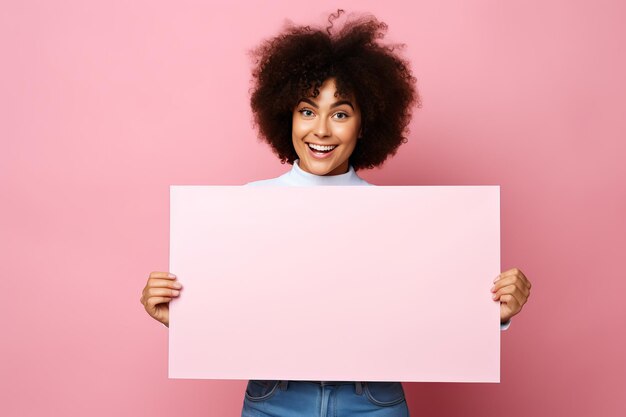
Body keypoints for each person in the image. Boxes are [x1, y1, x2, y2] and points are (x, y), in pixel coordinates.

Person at [139, 9, 532, 417]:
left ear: (364, 124)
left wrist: (494, 315)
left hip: (373, 401)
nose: (322, 129)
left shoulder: (398, 218)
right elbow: (236, 315)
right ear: (286, 117)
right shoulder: (246, 208)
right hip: (274, 400)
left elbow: (424, 315)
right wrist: (180, 317)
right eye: (307, 111)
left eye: (340, 113)